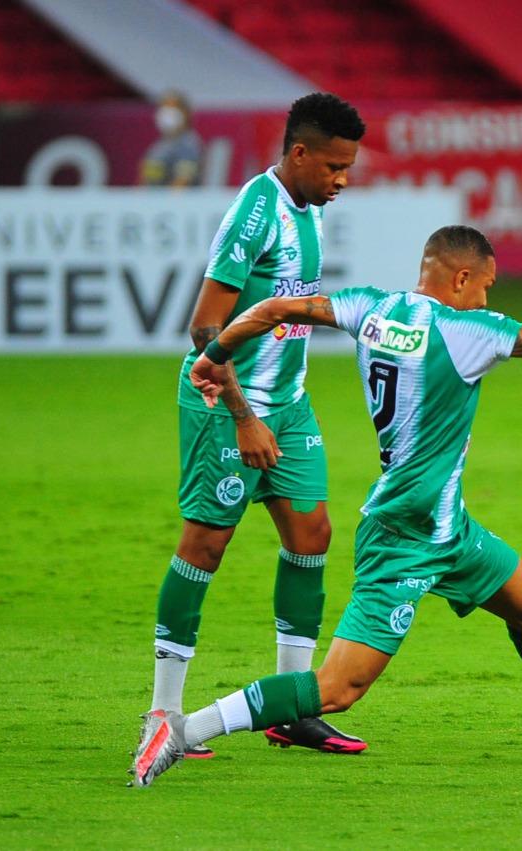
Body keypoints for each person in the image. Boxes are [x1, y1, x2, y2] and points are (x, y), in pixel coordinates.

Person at [130, 226, 522, 787]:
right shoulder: (463, 329)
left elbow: (274, 308)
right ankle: (183, 730)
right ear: (461, 278)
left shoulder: (371, 307)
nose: (487, 297)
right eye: (485, 286)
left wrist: (214, 355)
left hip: (449, 527)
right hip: (404, 535)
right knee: (337, 688)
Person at [147, 92, 367, 759]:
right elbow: (205, 327)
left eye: (348, 167)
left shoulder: (311, 206)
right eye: (333, 166)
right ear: (298, 153)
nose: (342, 179)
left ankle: (291, 706)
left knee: (312, 532)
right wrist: (245, 418)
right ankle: (162, 715)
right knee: (205, 546)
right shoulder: (256, 212)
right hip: (225, 402)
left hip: (289, 403)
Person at [139, 90, 204, 188]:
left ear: (185, 113)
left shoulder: (188, 144)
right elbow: (145, 180)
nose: (168, 112)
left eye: (173, 107)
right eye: (164, 107)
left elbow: (182, 183)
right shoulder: (159, 145)